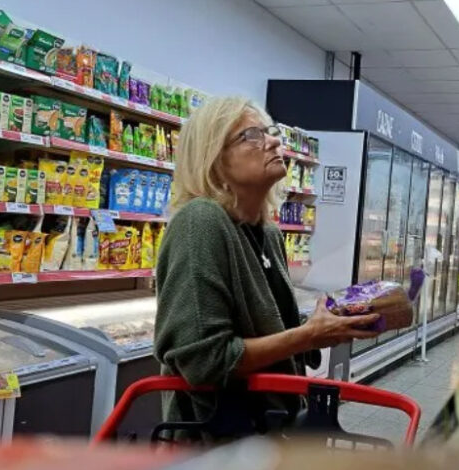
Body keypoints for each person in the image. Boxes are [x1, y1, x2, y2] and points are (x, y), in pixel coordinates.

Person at [154, 97, 380, 441]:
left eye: (270, 132)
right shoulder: (200, 221)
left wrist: (328, 323)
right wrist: (308, 336)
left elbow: (269, 331)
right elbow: (204, 361)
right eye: (252, 135)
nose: (274, 141)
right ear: (213, 158)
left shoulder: (267, 232)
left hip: (269, 431)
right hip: (215, 444)